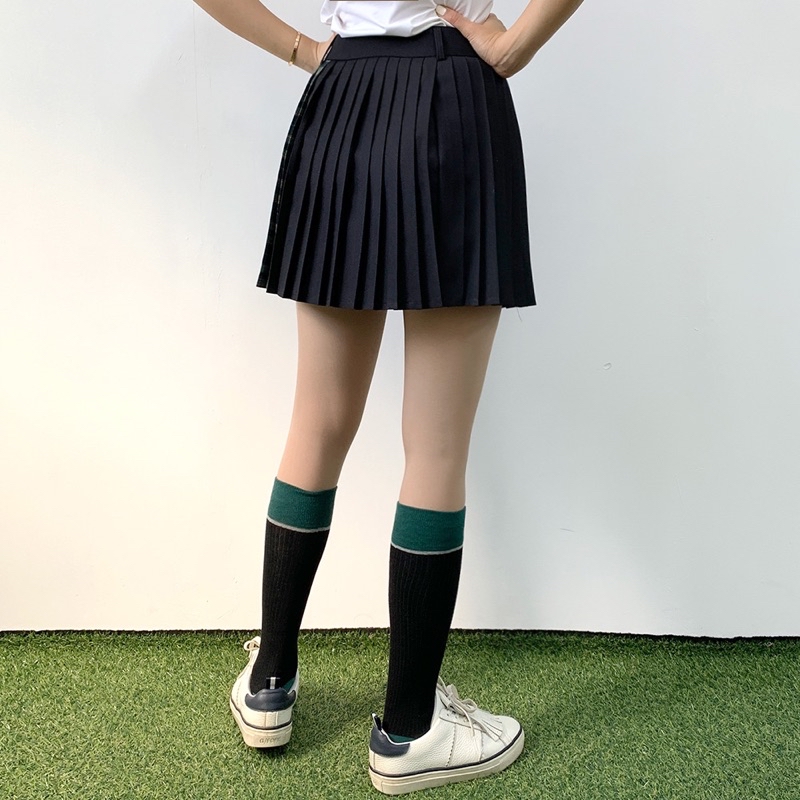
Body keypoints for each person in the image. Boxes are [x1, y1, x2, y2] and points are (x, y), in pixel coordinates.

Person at [192, 0, 585, 793]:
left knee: (317, 422)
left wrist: (306, 50)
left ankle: (271, 682)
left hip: (343, 101)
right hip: (457, 99)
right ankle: (408, 730)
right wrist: (513, 46)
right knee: (435, 447)